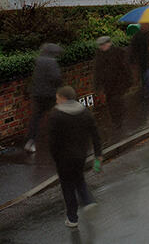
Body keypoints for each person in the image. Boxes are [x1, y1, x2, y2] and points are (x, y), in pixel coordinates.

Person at [48, 86, 102, 228]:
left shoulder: (56, 115)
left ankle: (72, 218)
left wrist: (55, 157)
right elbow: (95, 135)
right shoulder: (85, 112)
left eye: (57, 98)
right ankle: (88, 201)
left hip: (63, 158)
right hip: (80, 155)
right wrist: (98, 155)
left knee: (67, 187)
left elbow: (52, 140)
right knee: (79, 179)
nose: (56, 101)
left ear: (63, 98)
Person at [24, 43, 62, 153]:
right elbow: (56, 77)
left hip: (37, 94)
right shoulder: (52, 62)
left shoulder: (39, 60)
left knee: (36, 118)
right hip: (49, 94)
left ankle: (31, 141)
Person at [93, 36, 131, 130]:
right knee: (110, 103)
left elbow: (125, 67)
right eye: (101, 45)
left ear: (109, 43)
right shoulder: (99, 56)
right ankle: (115, 120)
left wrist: (128, 80)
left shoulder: (118, 52)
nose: (102, 47)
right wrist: (97, 86)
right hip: (107, 84)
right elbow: (97, 72)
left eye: (104, 44)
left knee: (116, 100)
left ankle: (119, 119)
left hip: (119, 83)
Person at [129, 24, 149, 98]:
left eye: (145, 25)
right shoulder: (137, 36)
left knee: (148, 76)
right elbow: (133, 48)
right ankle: (146, 92)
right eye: (142, 25)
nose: (143, 26)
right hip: (141, 61)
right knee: (144, 78)